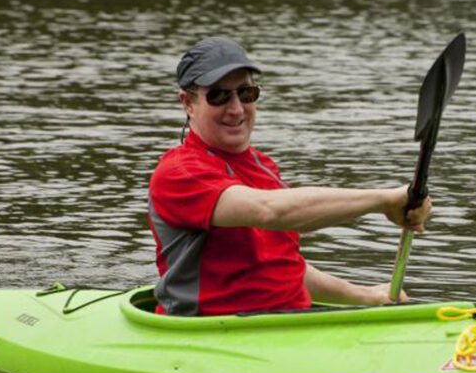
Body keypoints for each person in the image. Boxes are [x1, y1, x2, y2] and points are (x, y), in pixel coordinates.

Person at [148, 37, 432, 316]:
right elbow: (270, 211)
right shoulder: (179, 173)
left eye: (246, 93)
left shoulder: (263, 166)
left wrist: (365, 295)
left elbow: (281, 265)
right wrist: (385, 200)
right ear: (187, 103)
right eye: (219, 96)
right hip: (213, 335)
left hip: (284, 325)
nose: (235, 109)